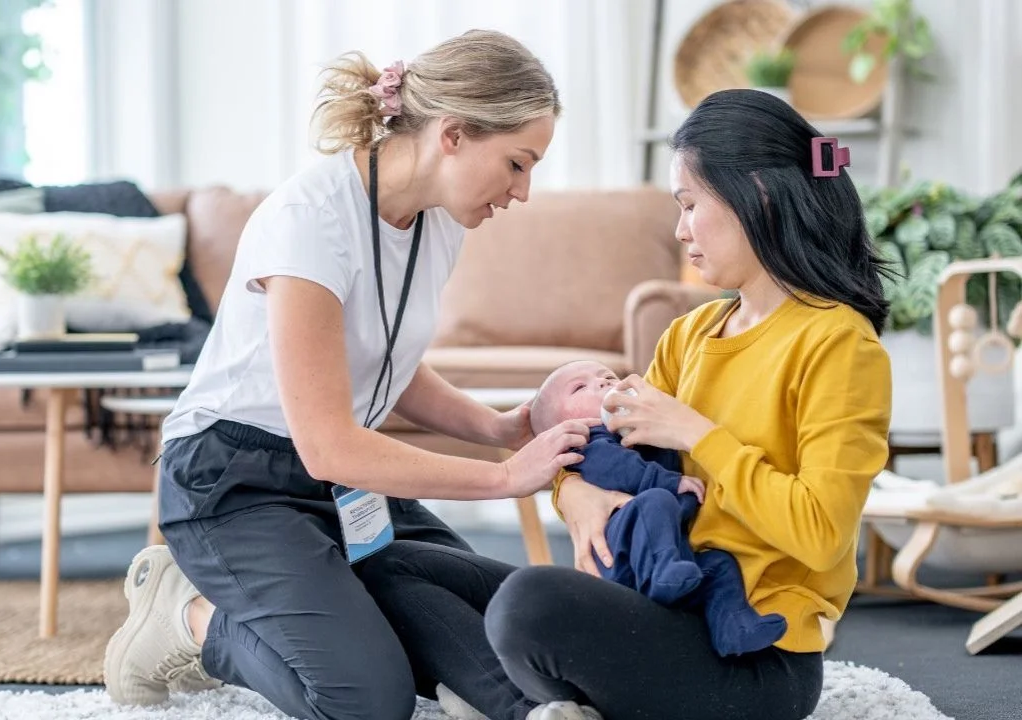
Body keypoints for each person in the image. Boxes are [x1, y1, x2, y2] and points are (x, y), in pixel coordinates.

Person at [101, 29, 600, 720]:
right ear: (452, 134)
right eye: (516, 163)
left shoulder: (439, 220)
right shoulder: (310, 222)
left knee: (499, 613)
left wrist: (499, 427)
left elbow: (381, 355)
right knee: (364, 700)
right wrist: (502, 475)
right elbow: (325, 443)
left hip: (344, 482)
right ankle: (189, 621)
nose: (521, 191)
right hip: (234, 480)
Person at [479, 88, 894, 720]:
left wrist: (699, 434)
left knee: (525, 604)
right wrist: (575, 493)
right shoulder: (690, 335)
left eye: (689, 204)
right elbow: (609, 451)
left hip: (754, 657)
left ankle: (518, 698)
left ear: (755, 195)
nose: (679, 230)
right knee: (427, 569)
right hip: (663, 608)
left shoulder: (838, 344)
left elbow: (821, 533)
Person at [530, 359, 789, 657]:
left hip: (672, 559)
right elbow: (619, 471)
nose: (602, 383)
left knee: (719, 563)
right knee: (656, 499)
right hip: (623, 556)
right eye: (580, 387)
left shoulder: (638, 433)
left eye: (609, 377)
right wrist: (669, 482)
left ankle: (733, 627)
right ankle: (664, 573)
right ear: (563, 428)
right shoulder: (590, 443)